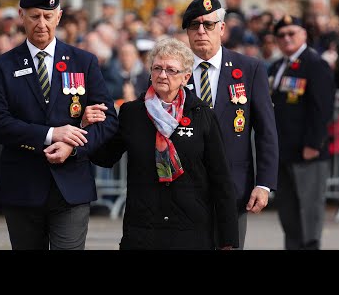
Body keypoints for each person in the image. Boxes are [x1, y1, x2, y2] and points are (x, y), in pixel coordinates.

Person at [0, 0, 118, 250]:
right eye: (34, 16)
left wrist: (72, 145)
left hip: (71, 186)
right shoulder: (2, 66)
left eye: (48, 16)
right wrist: (51, 134)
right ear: (21, 16)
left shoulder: (84, 62)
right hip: (22, 186)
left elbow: (108, 120)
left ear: (59, 16)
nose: (41, 23)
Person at [89, 37, 239, 250]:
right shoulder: (133, 112)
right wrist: (89, 127)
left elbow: (221, 178)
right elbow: (105, 156)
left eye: (171, 70)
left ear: (186, 77)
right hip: (143, 229)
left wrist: (228, 239)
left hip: (191, 230)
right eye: (157, 68)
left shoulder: (201, 114)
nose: (162, 75)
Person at [182, 0, 279, 249]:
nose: (201, 31)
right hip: (182, 188)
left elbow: (266, 131)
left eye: (209, 24)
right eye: (194, 25)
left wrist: (264, 184)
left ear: (222, 29)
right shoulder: (172, 68)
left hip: (232, 188)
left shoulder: (248, 68)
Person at [268, 15, 336, 250]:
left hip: (307, 152)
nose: (286, 38)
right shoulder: (277, 66)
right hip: (283, 152)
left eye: (291, 33)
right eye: (281, 35)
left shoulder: (315, 64)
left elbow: (323, 108)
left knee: (309, 213)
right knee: (289, 214)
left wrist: (314, 144)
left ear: (304, 34)